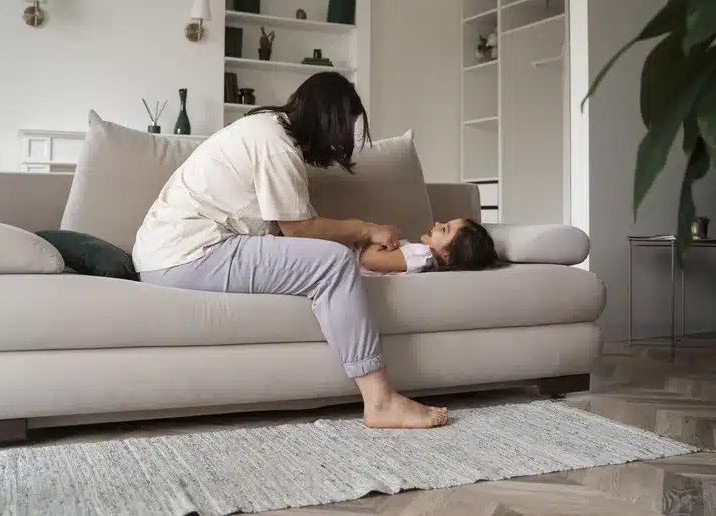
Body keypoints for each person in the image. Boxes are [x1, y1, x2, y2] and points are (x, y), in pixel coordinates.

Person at [132, 72, 448, 429]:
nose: (343, 139)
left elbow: (296, 230)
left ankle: (380, 399)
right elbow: (299, 229)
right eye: (345, 127)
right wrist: (367, 229)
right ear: (329, 119)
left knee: (328, 258)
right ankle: (381, 401)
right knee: (332, 264)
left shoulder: (265, 128)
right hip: (189, 254)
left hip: (171, 253)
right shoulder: (275, 144)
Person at [359, 219, 498, 274]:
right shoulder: (422, 256)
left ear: (446, 255)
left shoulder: (423, 255)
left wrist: (376, 234)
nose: (437, 223)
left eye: (444, 229)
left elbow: (367, 260)